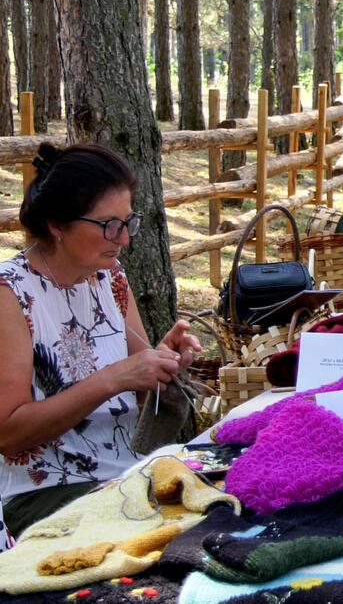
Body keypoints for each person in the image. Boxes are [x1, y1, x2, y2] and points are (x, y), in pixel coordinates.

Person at [0, 143, 201, 538]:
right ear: (57, 224)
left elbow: (143, 392)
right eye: (109, 225)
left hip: (128, 474)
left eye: (129, 222)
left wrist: (164, 365)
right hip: (43, 494)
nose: (124, 239)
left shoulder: (109, 277)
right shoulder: (11, 294)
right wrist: (114, 378)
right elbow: (7, 432)